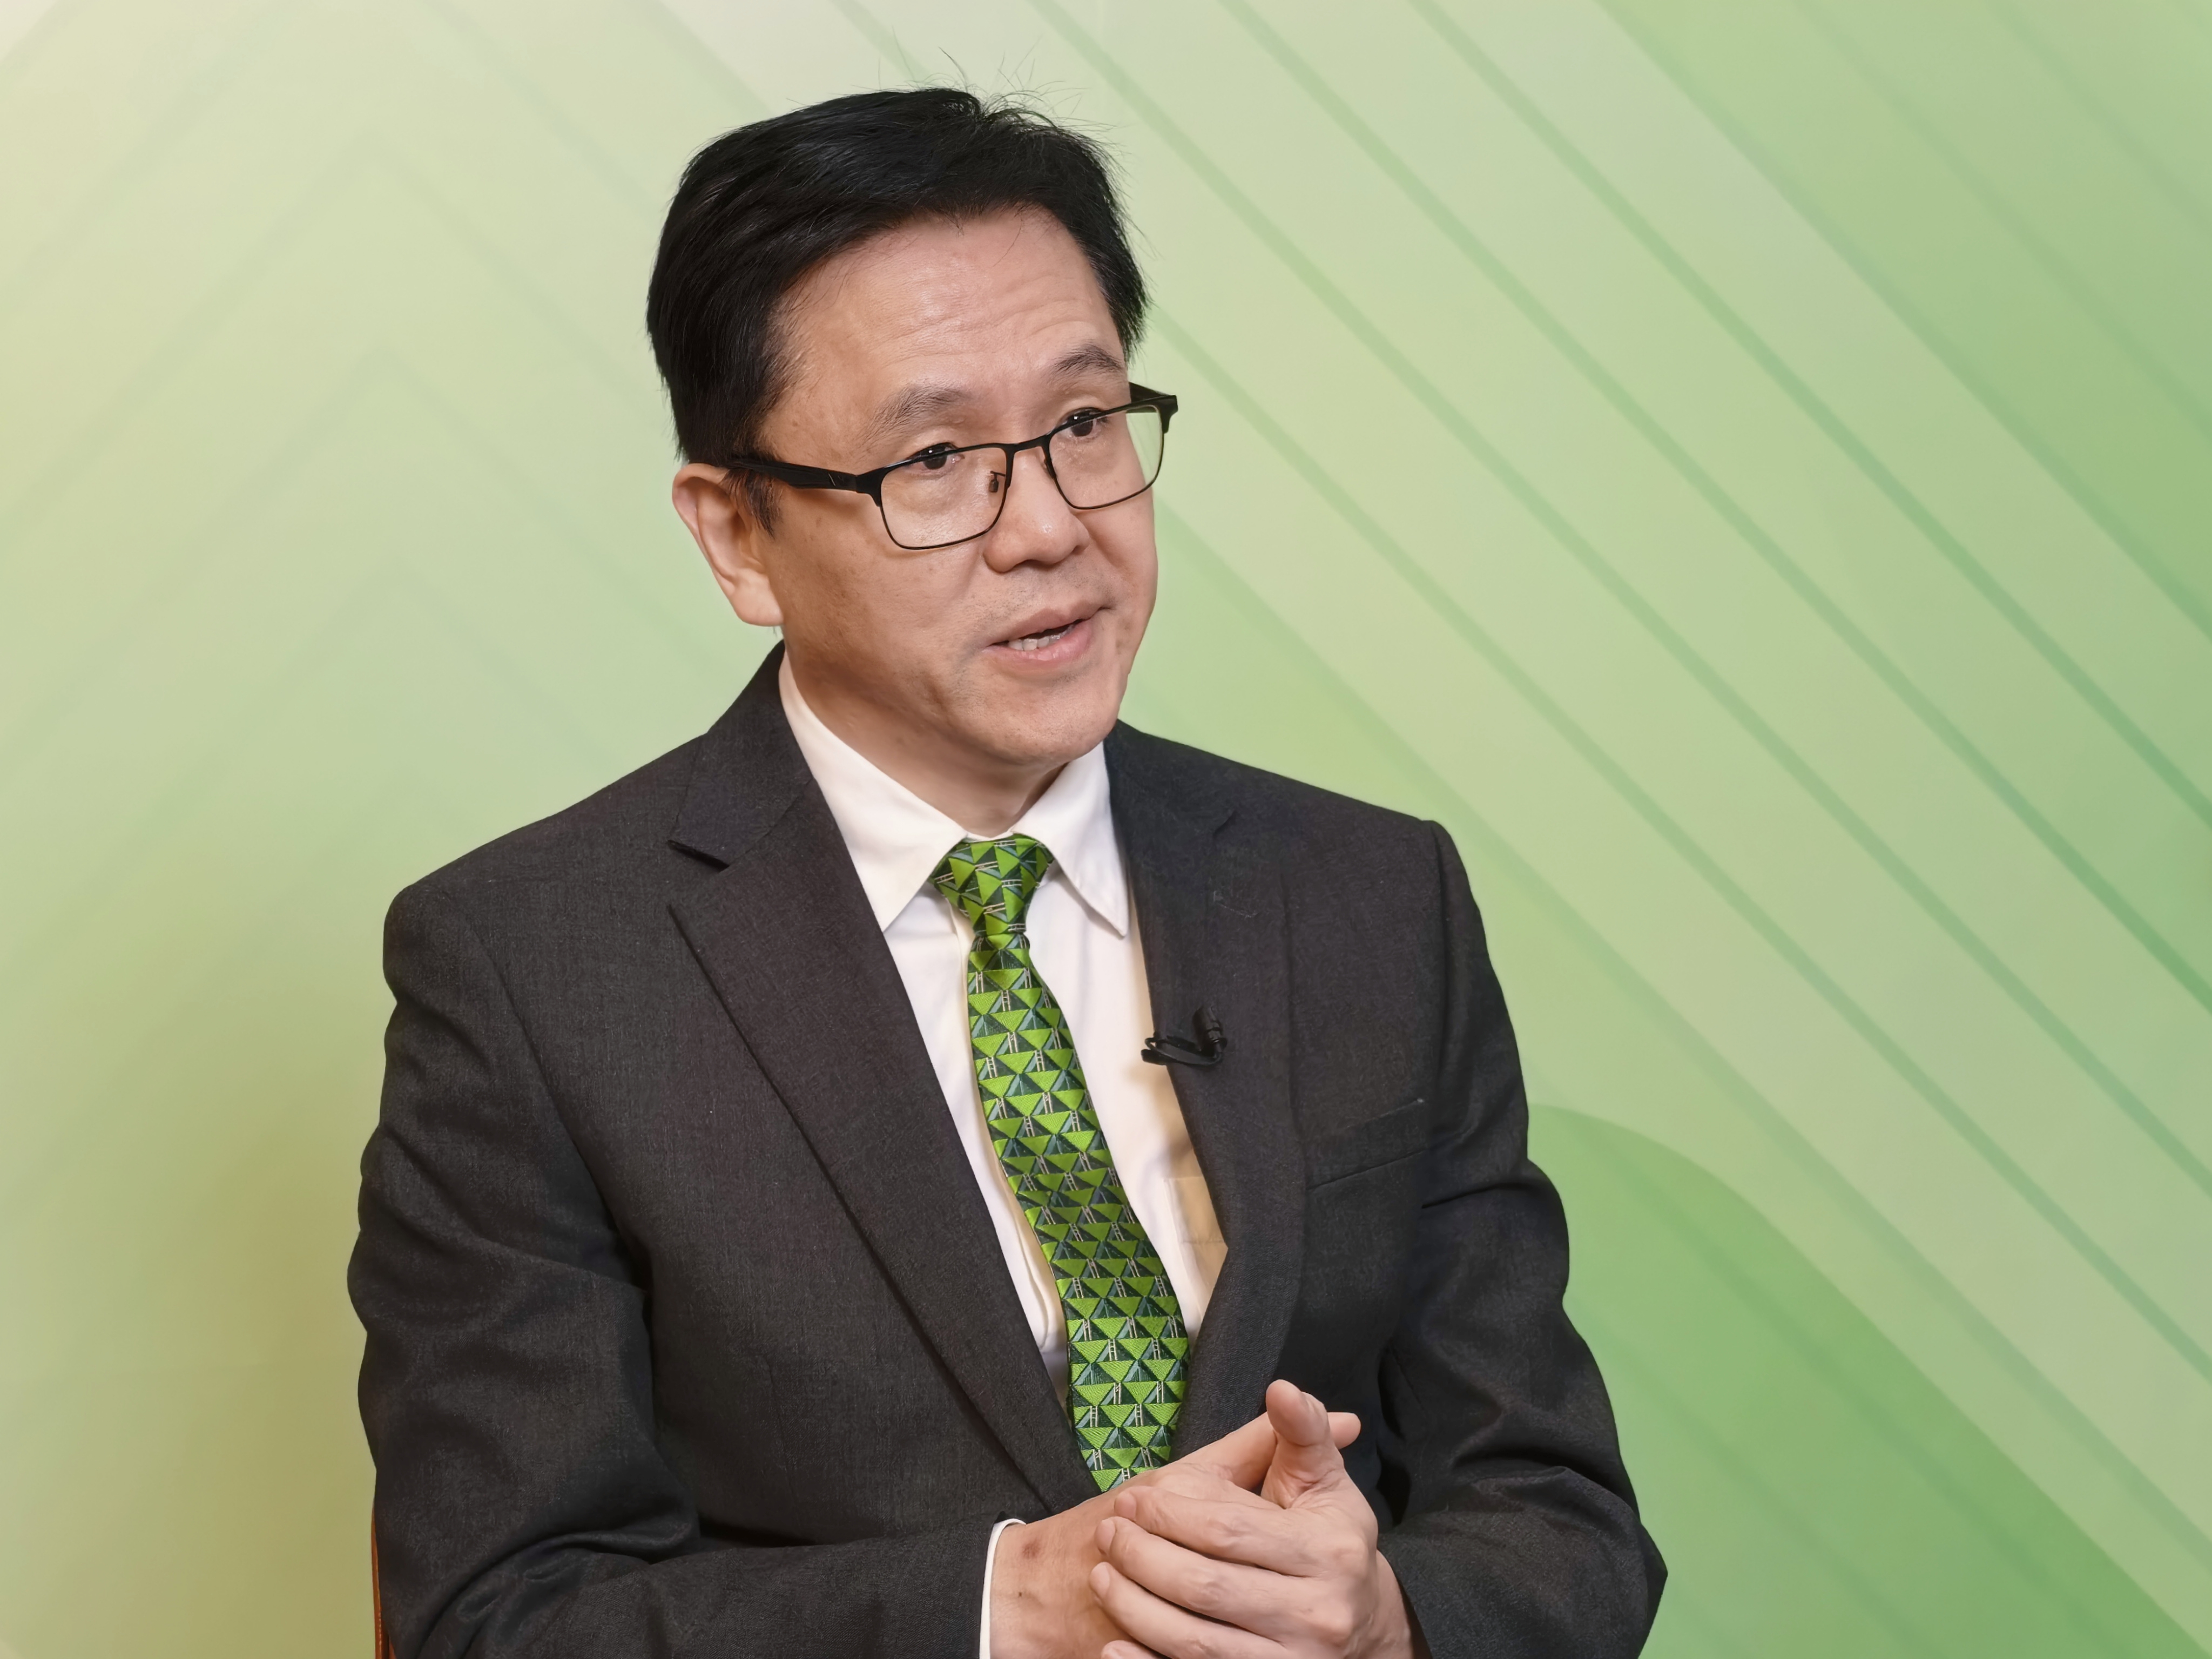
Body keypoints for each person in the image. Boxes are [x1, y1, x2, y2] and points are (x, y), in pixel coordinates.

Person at [349, 87, 1663, 1659]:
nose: (1047, 526)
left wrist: (1390, 1620)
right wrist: (1004, 1608)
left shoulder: (1372, 896)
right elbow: (496, 1621)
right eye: (935, 458)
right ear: (739, 535)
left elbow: (1561, 1521)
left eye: (1087, 425)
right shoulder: (534, 972)